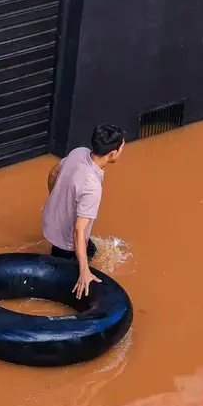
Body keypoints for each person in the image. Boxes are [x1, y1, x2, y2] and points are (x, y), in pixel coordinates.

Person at [42, 123, 126, 299]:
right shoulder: (92, 187)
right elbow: (78, 230)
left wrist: (55, 199)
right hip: (65, 240)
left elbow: (52, 173)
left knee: (91, 249)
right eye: (122, 147)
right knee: (73, 271)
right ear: (113, 153)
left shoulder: (79, 152)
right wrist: (84, 271)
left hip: (49, 219)